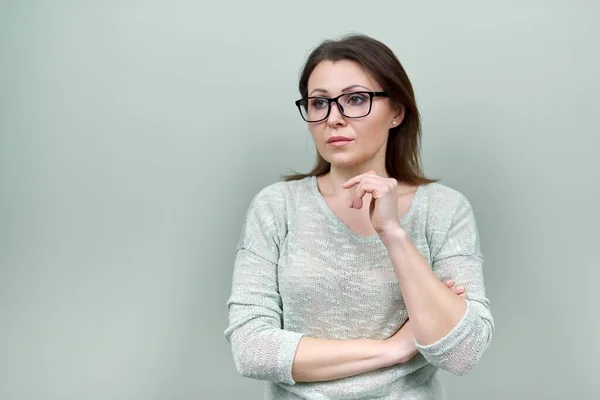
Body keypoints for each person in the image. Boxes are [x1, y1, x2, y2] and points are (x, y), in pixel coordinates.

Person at [224, 33, 494, 399]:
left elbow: (463, 351)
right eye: (319, 103)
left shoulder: (445, 209)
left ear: (396, 112)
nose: (333, 118)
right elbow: (252, 350)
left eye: (355, 99)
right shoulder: (276, 206)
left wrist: (393, 234)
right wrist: (394, 349)